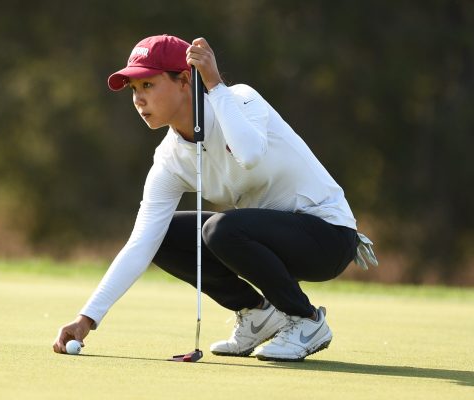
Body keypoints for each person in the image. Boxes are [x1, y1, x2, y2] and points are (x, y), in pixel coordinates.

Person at [53, 34, 377, 361]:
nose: (138, 99)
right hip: (271, 242)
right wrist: (87, 319)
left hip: (329, 237)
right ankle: (256, 315)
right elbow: (141, 242)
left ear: (183, 80)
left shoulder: (240, 99)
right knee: (162, 236)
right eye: (134, 90)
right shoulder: (169, 159)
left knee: (221, 229)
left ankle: (306, 320)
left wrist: (214, 84)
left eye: (148, 86)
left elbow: (248, 154)